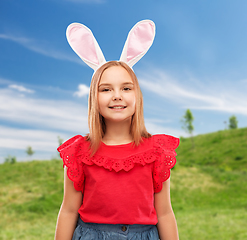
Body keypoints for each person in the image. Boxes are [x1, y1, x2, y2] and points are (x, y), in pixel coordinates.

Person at [54, 20, 179, 240]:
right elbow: (69, 211)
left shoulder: (156, 151)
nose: (117, 95)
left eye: (126, 88)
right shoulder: (79, 152)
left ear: (137, 96)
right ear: (94, 98)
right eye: (106, 89)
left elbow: (165, 213)